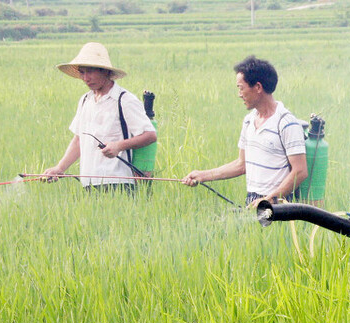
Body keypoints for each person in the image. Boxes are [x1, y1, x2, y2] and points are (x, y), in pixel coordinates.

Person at [181, 56, 307, 207]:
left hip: (279, 202)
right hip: (253, 200)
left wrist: (269, 199)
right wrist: (203, 175)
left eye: (241, 88)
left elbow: (300, 171)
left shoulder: (287, 123)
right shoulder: (248, 121)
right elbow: (242, 164)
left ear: (258, 87)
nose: (239, 94)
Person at [42, 42, 157, 192]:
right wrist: (60, 168)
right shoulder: (85, 100)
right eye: (82, 72)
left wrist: (118, 146)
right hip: (89, 183)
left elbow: (150, 135)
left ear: (105, 72)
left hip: (118, 183)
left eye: (90, 72)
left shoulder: (124, 100)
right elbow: (79, 139)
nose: (86, 78)